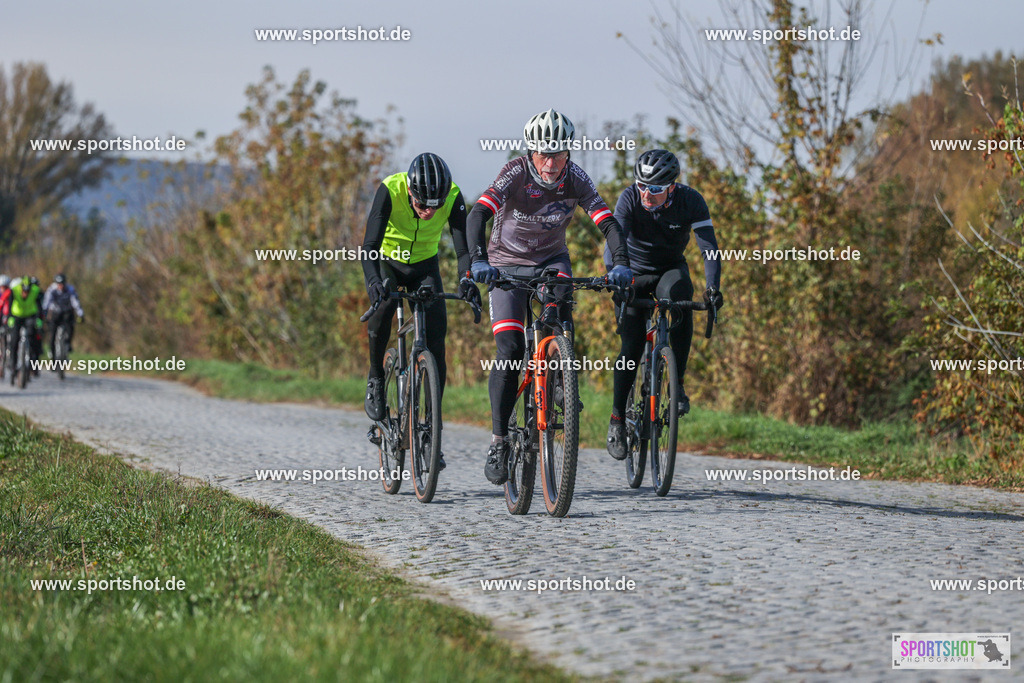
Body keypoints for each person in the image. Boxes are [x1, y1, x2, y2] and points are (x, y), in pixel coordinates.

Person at [468, 109, 633, 485]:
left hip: (551, 261)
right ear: (531, 151)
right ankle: (499, 441)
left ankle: (561, 378)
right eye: (543, 154)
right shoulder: (515, 172)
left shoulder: (576, 178)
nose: (550, 164)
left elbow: (607, 222)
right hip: (506, 264)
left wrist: (621, 263)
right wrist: (478, 261)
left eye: (558, 154)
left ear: (568, 152)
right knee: (510, 349)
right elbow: (477, 215)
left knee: (560, 310)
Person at [360, 152, 478, 471]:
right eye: (422, 204)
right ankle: (375, 377)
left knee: (436, 340)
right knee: (384, 306)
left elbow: (463, 249)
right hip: (388, 261)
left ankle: (431, 431)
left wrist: (466, 279)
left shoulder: (452, 196)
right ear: (410, 191)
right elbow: (369, 246)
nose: (429, 212)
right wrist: (373, 282)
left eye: (435, 206)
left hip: (425, 266)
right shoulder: (391, 189)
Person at [604, 149, 724, 460]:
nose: (646, 194)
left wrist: (713, 288)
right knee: (631, 346)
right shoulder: (629, 198)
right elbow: (614, 239)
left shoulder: (691, 200)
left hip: (669, 269)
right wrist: (614, 272)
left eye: (655, 189)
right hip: (632, 270)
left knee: (682, 299)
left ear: (672, 187)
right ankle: (617, 418)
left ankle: (677, 384)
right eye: (642, 185)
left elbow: (709, 248)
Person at [43, 273, 85, 359]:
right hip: (56, 313)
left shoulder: (70, 289)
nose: (60, 286)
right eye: (59, 284)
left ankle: (67, 345)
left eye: (62, 283)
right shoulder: (52, 289)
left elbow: (75, 302)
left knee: (70, 327)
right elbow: (47, 302)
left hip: (67, 313)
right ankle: (52, 352)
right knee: (52, 333)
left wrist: (80, 314)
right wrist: (44, 314)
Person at [7, 276, 44, 375]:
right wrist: (10, 317)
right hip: (17, 316)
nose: (25, 293)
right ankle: (13, 364)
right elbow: (10, 304)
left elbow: (39, 306)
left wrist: (39, 319)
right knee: (14, 340)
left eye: (27, 291)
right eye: (24, 290)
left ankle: (32, 365)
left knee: (32, 338)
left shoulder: (35, 291)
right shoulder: (14, 290)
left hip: (30, 316)